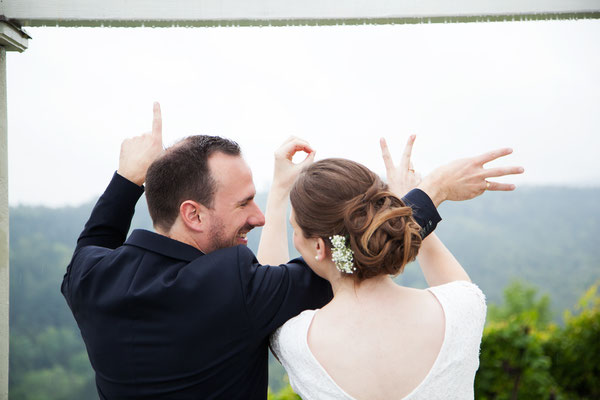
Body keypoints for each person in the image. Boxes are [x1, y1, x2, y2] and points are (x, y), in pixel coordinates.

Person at [61, 104, 454, 400]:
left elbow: (94, 240)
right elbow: (349, 255)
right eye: (244, 203)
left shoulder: (89, 279)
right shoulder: (231, 288)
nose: (260, 216)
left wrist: (126, 178)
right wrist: (429, 192)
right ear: (192, 214)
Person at [266, 137, 524, 399]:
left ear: (319, 247)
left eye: (294, 229)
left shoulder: (297, 342)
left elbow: (270, 295)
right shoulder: (462, 308)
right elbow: (453, 281)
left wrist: (278, 191)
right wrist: (413, 201)